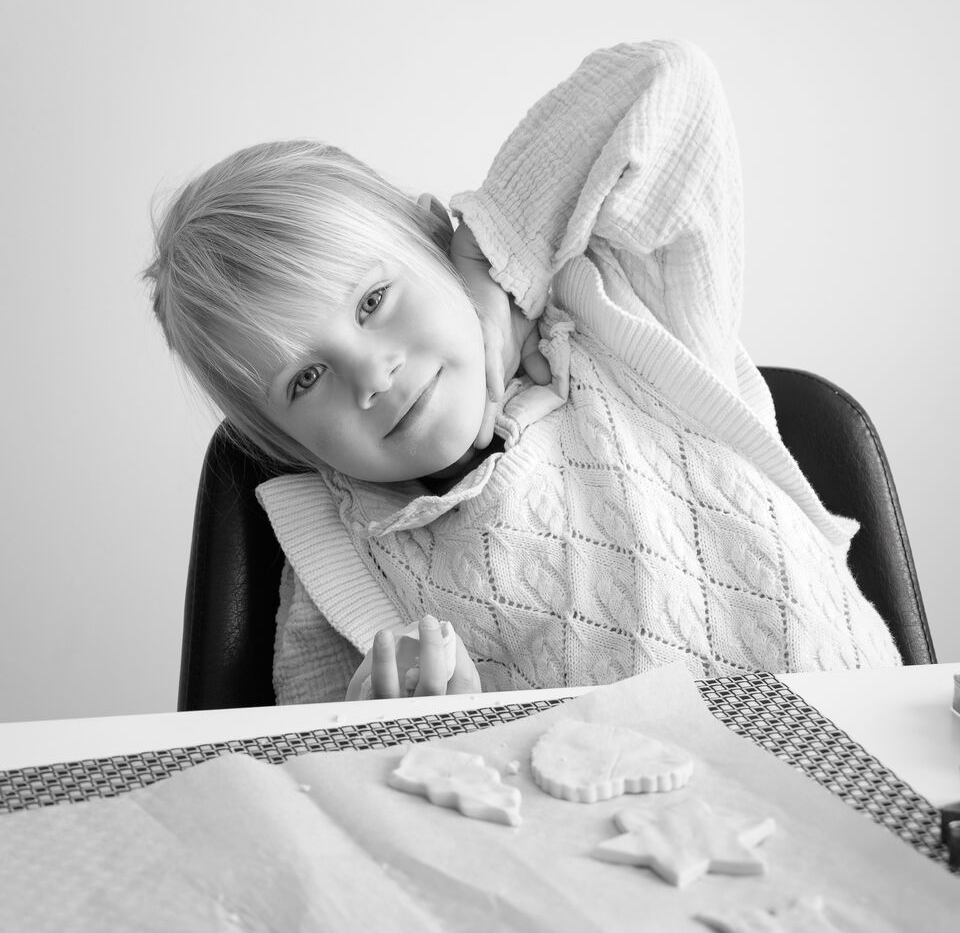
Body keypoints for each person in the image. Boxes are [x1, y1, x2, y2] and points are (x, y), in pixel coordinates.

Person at [145, 40, 902, 704]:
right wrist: (391, 723)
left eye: (373, 300)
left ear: (434, 235)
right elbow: (321, 773)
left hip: (871, 747)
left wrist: (492, 258)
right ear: (283, 438)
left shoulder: (616, 319)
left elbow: (673, 79)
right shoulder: (336, 551)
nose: (371, 375)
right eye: (304, 380)